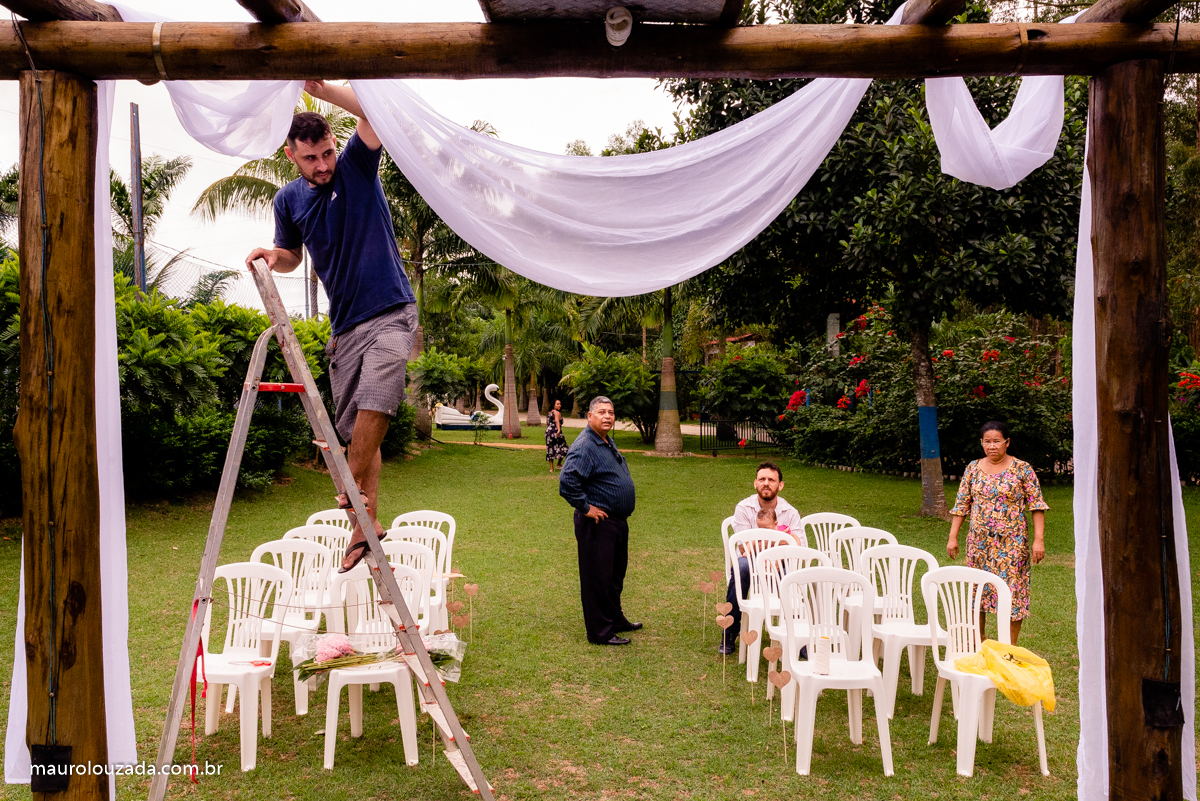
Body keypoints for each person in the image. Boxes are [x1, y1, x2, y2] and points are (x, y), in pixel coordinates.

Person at [245, 80, 417, 573]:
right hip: (344, 328)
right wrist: (270, 256)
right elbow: (291, 256)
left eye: (326, 153)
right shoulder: (288, 201)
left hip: (390, 309)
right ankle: (366, 528)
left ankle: (346, 487)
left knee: (376, 403)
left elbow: (378, 114)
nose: (322, 165)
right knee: (356, 426)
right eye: (311, 158)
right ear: (291, 156)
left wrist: (323, 87)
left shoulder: (358, 168)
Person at [946, 420, 1048, 645]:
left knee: (1014, 591)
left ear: (1007, 442)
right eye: (987, 442)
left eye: (997, 441)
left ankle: (1009, 646)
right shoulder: (973, 468)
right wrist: (953, 537)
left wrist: (1038, 541)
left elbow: (1037, 506)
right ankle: (978, 639)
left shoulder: (1022, 469)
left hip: (1012, 544)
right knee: (977, 589)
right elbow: (961, 505)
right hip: (979, 544)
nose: (992, 446)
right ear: (981, 443)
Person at [558, 396, 642, 645]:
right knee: (597, 578)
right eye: (602, 412)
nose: (607, 416)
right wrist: (586, 507)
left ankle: (615, 619)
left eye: (611, 412)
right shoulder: (585, 444)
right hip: (597, 525)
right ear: (590, 416)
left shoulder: (605, 440)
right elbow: (567, 481)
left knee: (615, 577)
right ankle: (599, 632)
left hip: (616, 522)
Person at [721, 462, 802, 654]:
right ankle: (730, 631)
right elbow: (743, 547)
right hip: (750, 561)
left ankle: (798, 637)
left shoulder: (790, 512)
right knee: (740, 567)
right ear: (755, 483)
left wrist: (759, 539)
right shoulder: (743, 507)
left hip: (781, 561)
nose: (766, 483)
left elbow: (799, 547)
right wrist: (780, 539)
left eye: (771, 480)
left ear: (780, 485)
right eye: (762, 479)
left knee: (794, 573)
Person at [545, 398, 569, 472]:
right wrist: (558, 430)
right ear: (554, 405)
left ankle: (551, 468)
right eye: (557, 404)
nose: (559, 405)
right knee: (564, 447)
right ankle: (559, 464)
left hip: (548, 432)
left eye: (560, 404)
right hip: (556, 432)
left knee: (550, 448)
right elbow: (557, 421)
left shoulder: (549, 413)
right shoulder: (556, 413)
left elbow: (547, 423)